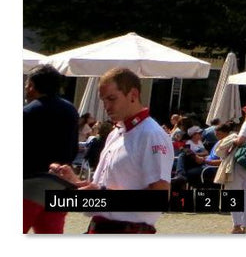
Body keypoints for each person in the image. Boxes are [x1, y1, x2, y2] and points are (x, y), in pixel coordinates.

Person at [48, 67, 171, 234]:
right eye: (103, 100)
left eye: (112, 99)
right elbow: (104, 189)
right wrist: (75, 181)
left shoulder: (151, 134)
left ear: (133, 95)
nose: (106, 106)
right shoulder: (116, 133)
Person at [23, 64, 80, 234]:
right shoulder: (71, 110)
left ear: (32, 86)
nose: (25, 88)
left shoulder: (28, 112)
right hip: (61, 185)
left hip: (30, 184)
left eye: (27, 84)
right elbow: (73, 149)